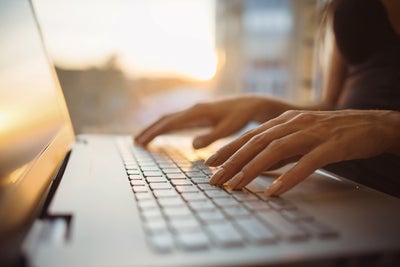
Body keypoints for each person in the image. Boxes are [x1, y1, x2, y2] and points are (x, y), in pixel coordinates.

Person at [135, 0, 400, 197]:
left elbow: (361, 119)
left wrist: (388, 126)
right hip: (331, 182)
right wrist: (261, 105)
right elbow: (334, 107)